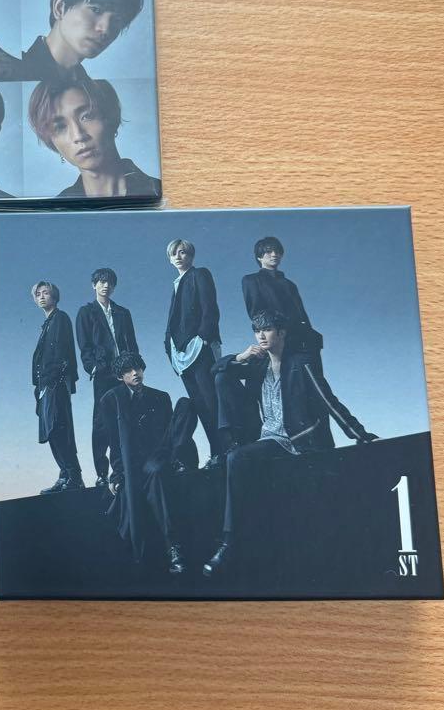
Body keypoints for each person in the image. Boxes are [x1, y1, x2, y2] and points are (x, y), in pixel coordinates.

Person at [203, 310, 378, 577]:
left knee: (239, 460)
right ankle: (230, 541)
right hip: (269, 438)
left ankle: (231, 543)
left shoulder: (300, 363)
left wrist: (360, 434)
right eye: (257, 331)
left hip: (297, 440)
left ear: (282, 333)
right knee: (222, 381)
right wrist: (241, 356)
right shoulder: (257, 366)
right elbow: (216, 370)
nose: (261, 336)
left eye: (267, 329)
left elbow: (328, 400)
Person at [95, 352, 185, 573]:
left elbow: (169, 436)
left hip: (158, 460)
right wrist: (116, 474)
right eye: (128, 370)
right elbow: (113, 442)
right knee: (144, 487)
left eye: (138, 368)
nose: (135, 373)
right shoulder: (111, 400)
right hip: (132, 466)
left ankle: (173, 548)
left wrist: (172, 458)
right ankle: (169, 548)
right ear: (120, 376)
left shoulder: (160, 397)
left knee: (185, 406)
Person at [28, 77, 161, 199]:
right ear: (52, 143)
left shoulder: (157, 190)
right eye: (60, 127)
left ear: (111, 118)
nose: (78, 136)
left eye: (87, 116)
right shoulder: (57, 209)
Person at [21, 0, 143, 83]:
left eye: (117, 20)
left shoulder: (95, 91)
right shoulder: (17, 71)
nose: (105, 29)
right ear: (60, 7)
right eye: (96, 10)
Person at [75, 267, 140, 488]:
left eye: (110, 282)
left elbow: (132, 343)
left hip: (125, 372)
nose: (106, 285)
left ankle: (124, 468)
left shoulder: (123, 312)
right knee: (102, 421)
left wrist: (135, 367)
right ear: (94, 285)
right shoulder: (86, 312)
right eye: (101, 282)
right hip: (103, 372)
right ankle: (102, 473)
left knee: (128, 417)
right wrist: (92, 367)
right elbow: (84, 346)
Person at [163, 239, 225, 465]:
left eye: (183, 252)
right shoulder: (176, 283)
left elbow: (210, 309)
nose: (179, 257)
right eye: (174, 254)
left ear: (191, 255)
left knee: (212, 403)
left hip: (199, 351)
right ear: (170, 259)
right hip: (181, 356)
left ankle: (223, 451)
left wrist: (203, 339)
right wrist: (169, 348)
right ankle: (216, 453)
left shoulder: (200, 274)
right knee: (200, 406)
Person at [31, 280, 84, 494]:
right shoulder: (48, 323)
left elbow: (62, 354)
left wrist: (50, 382)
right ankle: (65, 476)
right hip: (47, 385)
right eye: (38, 294)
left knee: (59, 429)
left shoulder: (60, 318)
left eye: (46, 293)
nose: (42, 297)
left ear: (54, 296)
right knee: (52, 431)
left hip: (56, 383)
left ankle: (73, 477)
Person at [241, 236, 323, 366]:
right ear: (259, 257)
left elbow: (302, 314)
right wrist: (277, 331)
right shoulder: (251, 280)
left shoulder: (289, 284)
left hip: (302, 337)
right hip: (278, 336)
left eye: (277, 251)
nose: (274, 254)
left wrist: (310, 333)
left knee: (312, 374)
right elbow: (256, 314)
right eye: (269, 251)